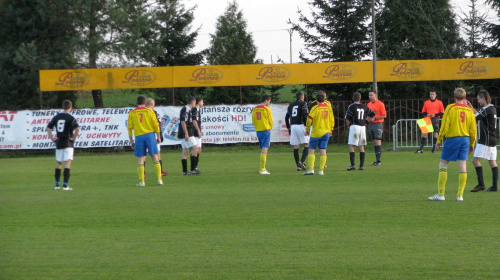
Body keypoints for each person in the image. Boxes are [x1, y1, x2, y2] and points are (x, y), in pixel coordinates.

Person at [429, 88, 476, 201]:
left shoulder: (450, 108)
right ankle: (460, 195)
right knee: (462, 165)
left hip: (452, 138)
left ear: (454, 97)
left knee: (443, 164)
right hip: (465, 139)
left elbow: (445, 125)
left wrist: (439, 139)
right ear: (464, 98)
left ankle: (441, 194)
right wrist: (472, 143)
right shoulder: (470, 111)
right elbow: (473, 129)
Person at [128, 95, 163, 186]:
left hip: (139, 136)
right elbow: (156, 125)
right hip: (150, 135)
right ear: (145, 103)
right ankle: (159, 179)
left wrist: (131, 141)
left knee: (140, 159)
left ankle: (142, 181)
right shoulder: (150, 111)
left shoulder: (132, 112)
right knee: (155, 157)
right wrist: (158, 136)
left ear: (137, 103)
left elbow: (129, 128)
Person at [46, 100, 80, 191]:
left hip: (59, 142)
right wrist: (74, 139)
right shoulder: (71, 118)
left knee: (58, 163)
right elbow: (77, 128)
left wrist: (52, 138)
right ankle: (65, 186)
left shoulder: (56, 117)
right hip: (68, 142)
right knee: (67, 163)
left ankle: (57, 185)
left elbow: (48, 127)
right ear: (70, 107)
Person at [469, 90, 498, 192]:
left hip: (485, 140)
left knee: (475, 160)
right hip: (492, 139)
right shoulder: (491, 108)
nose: (478, 101)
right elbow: (479, 114)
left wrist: (468, 109)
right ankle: (494, 186)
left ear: (483, 98)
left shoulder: (487, 109)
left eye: (479, 99)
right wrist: (471, 107)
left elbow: (475, 117)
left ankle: (481, 184)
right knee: (492, 162)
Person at [303, 93, 334, 175]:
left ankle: (311, 170)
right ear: (324, 99)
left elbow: (309, 119)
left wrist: (307, 129)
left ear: (316, 100)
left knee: (311, 150)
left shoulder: (315, 108)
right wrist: (331, 129)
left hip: (316, 132)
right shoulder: (328, 108)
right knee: (323, 150)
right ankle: (321, 171)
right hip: (326, 132)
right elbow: (332, 119)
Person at [345, 92, 376, 171]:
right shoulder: (363, 106)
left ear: (353, 98)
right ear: (360, 98)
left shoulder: (351, 106)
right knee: (361, 146)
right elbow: (373, 114)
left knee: (352, 145)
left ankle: (352, 165)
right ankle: (361, 166)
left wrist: (348, 126)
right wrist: (367, 121)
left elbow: (348, 118)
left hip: (354, 126)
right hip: (362, 127)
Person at [285, 92, 309, 171]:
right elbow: (305, 116)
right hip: (300, 125)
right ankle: (301, 162)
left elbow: (286, 117)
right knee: (307, 144)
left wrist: (288, 128)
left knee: (296, 146)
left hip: (293, 126)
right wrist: (306, 127)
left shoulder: (291, 105)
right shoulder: (303, 104)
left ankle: (298, 166)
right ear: (302, 97)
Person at [145, 98, 167, 176]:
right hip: (152, 135)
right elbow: (157, 125)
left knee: (143, 154)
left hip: (142, 134)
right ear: (152, 104)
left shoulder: (141, 112)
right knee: (156, 153)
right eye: (154, 104)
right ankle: (160, 171)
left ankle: (143, 173)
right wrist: (159, 136)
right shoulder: (153, 112)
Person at [252, 95, 273, 175]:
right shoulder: (267, 109)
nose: (269, 103)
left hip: (258, 130)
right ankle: (262, 169)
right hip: (265, 130)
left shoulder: (255, 108)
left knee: (263, 149)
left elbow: (253, 121)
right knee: (265, 149)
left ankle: (262, 168)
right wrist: (270, 128)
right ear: (266, 100)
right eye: (269, 101)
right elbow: (270, 120)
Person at [178, 97, 199, 175]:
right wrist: (186, 133)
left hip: (186, 132)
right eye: (195, 103)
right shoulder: (186, 109)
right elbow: (183, 121)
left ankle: (184, 172)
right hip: (187, 133)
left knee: (185, 151)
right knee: (195, 148)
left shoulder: (188, 110)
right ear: (193, 102)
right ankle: (193, 169)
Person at [366, 91, 387, 166]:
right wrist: (367, 119)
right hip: (371, 124)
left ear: (375, 95)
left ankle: (378, 161)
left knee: (378, 141)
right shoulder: (368, 104)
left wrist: (375, 118)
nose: (370, 96)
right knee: (374, 142)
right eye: (369, 95)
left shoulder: (380, 104)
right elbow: (367, 115)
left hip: (378, 124)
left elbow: (384, 115)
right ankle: (376, 160)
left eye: (371, 95)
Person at [192, 97, 204, 172]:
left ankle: (195, 167)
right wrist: (198, 131)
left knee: (199, 149)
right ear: (199, 102)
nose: (203, 103)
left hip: (197, 132)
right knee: (196, 149)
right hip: (194, 132)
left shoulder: (198, 110)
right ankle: (193, 168)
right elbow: (194, 121)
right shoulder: (195, 110)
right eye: (202, 102)